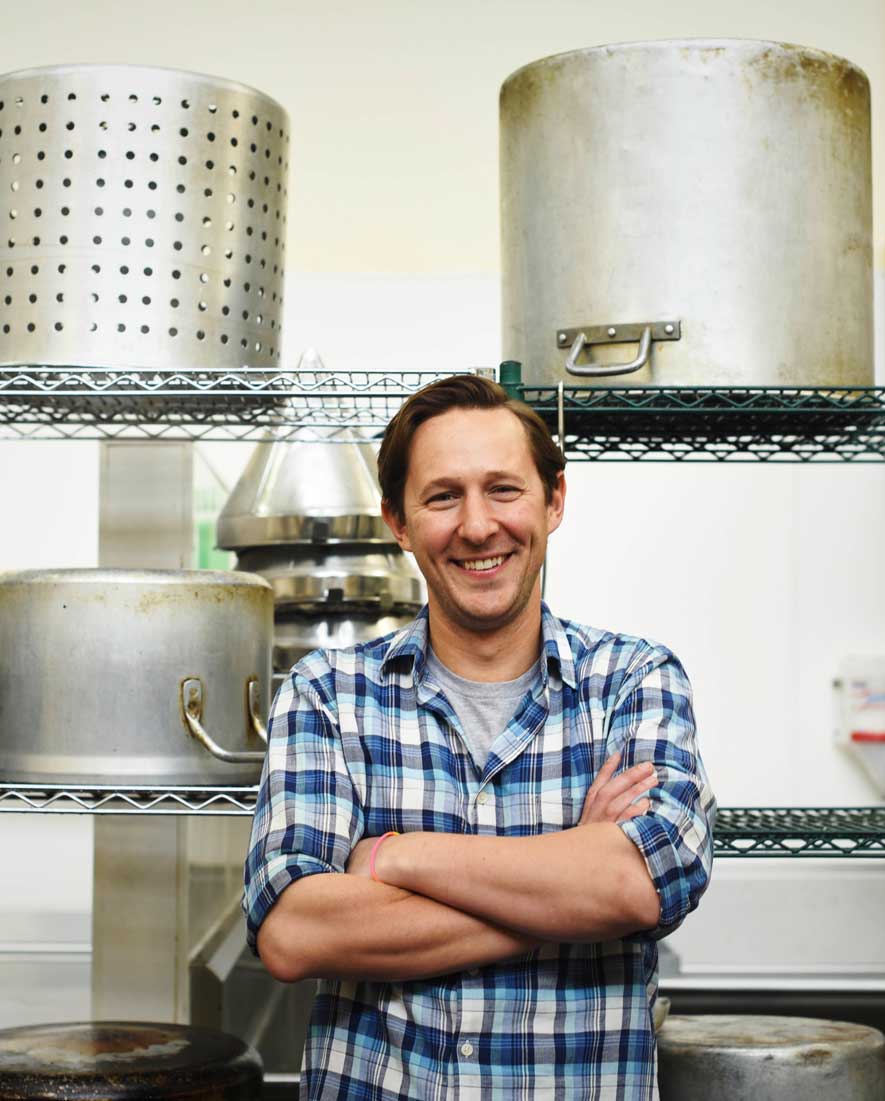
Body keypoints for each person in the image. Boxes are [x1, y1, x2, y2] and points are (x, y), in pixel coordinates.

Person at [242, 373, 716, 1099]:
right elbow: (293, 933)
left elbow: (639, 882)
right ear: (397, 521)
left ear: (554, 500)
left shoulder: (634, 679)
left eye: (503, 489)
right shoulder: (327, 694)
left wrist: (398, 856)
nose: (476, 525)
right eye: (442, 496)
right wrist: (565, 889)